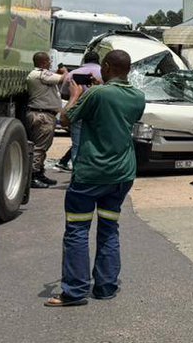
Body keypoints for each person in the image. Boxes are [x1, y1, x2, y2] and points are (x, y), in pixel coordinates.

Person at [45, 49, 146, 307]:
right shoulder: (138, 96)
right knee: (109, 228)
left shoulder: (97, 93)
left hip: (91, 173)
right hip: (122, 175)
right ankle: (105, 287)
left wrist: (76, 96)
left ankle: (75, 291)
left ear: (108, 66)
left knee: (78, 229)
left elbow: (66, 119)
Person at [56, 50, 103, 172]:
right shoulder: (103, 74)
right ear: (98, 61)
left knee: (77, 145)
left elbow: (64, 94)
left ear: (84, 60)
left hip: (78, 113)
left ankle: (77, 174)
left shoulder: (72, 74)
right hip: (98, 114)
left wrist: (77, 94)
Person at [25, 51, 66, 188]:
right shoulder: (41, 73)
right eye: (48, 61)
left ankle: (39, 172)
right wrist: (64, 71)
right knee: (39, 147)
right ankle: (33, 176)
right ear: (43, 62)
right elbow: (62, 79)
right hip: (42, 116)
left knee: (42, 146)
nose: (50, 63)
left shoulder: (38, 74)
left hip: (41, 114)